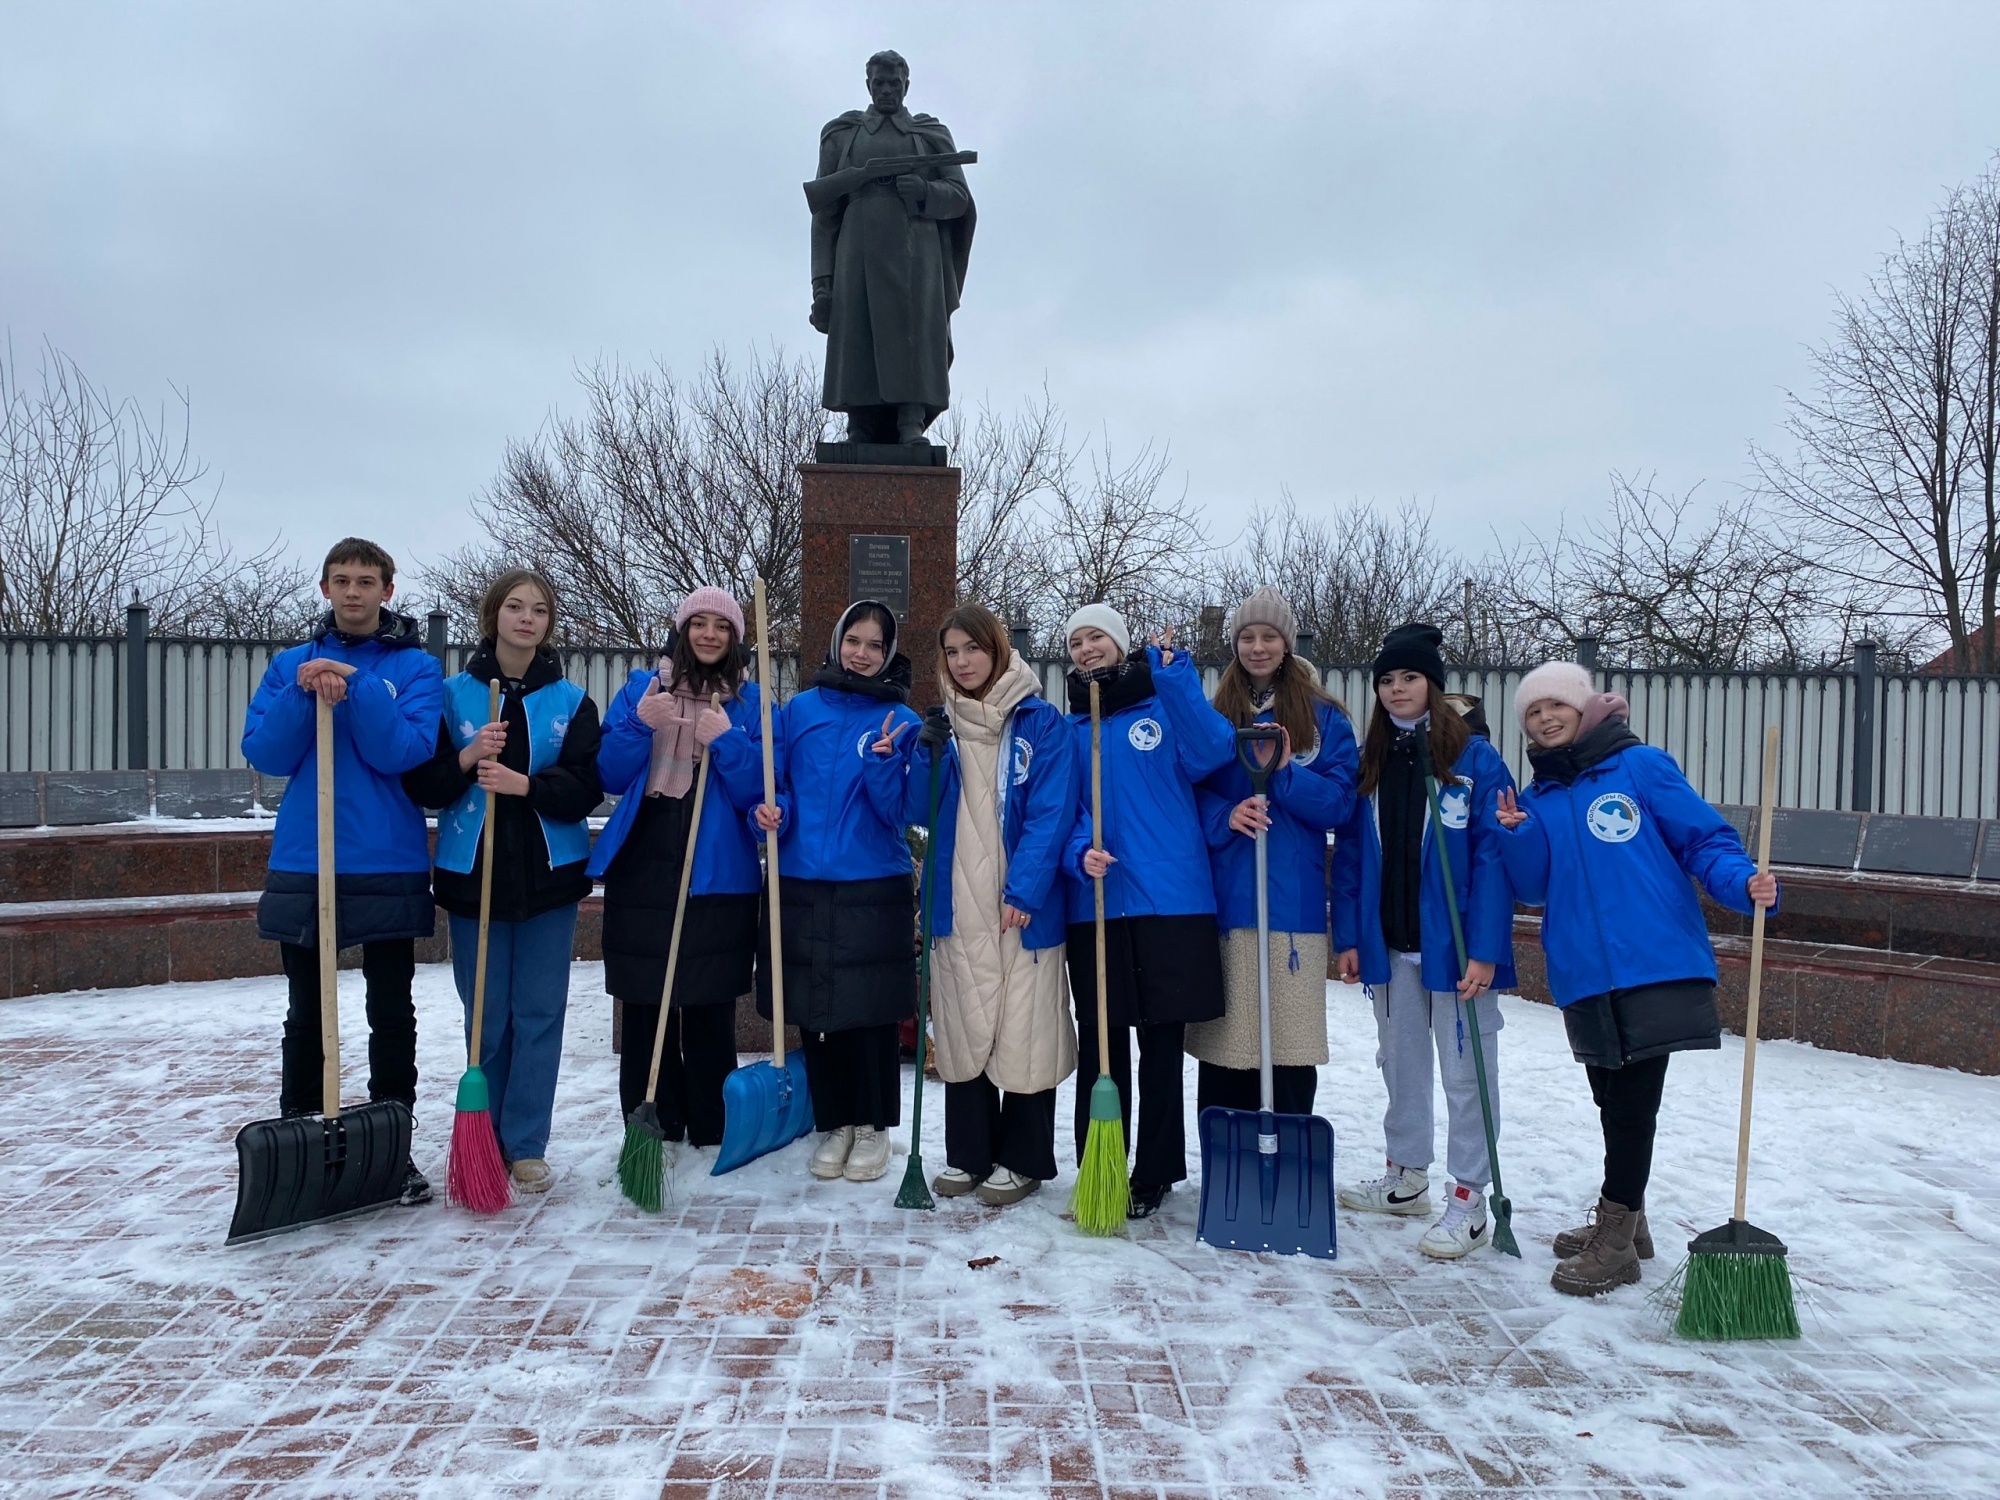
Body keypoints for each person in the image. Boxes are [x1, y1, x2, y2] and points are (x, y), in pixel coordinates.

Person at [1494, 663, 1778, 1296]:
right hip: (1584, 969)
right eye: (1532, 713)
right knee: (1609, 1100)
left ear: (1584, 707)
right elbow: (1536, 888)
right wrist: (1515, 837)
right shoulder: (1536, 798)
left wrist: (1741, 883)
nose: (1544, 718)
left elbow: (1703, 840)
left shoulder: (1641, 767)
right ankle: (1632, 1219)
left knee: (1631, 1103)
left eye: (1555, 706)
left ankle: (1617, 1235)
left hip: (1654, 960)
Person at [241, 538, 443, 1206]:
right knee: (305, 1010)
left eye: (366, 581)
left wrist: (357, 689)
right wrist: (305, 692)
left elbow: (403, 752)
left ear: (388, 591)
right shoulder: (289, 664)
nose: (353, 592)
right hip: (307, 853)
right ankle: (302, 1137)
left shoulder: (414, 668)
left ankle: (394, 1144)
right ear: (325, 588)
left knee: (391, 1009)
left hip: (385, 855)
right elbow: (267, 752)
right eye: (341, 580)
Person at [402, 570, 601, 1194]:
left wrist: (526, 786)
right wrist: (466, 758)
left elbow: (586, 789)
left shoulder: (571, 702)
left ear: (549, 623)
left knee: (539, 1012)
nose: (526, 618)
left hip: (548, 877)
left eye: (539, 610)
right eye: (515, 607)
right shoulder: (452, 696)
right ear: (493, 614)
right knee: (485, 1015)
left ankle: (525, 1143)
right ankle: (480, 1137)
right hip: (473, 874)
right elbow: (424, 784)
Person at [1331, 622, 1517, 1259]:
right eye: (1385, 680)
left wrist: (1486, 948)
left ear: (1433, 685)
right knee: (1401, 1066)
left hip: (1455, 950)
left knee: (1467, 1074)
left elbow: (1494, 858)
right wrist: (1352, 935)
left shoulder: (1473, 761)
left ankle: (1469, 1197)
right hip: (1389, 945)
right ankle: (1406, 1174)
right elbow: (1354, 856)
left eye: (1408, 677)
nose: (1395, 689)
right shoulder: (1375, 760)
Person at [1062, 604, 1237, 1218]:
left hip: (1170, 902)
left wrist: (1176, 677)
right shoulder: (1069, 729)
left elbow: (1215, 751)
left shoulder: (1164, 707)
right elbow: (1062, 810)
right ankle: (1099, 1164)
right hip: (1097, 905)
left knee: (1161, 1043)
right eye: (1077, 642)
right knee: (1101, 1043)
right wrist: (1080, 848)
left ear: (1119, 644)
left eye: (1097, 638)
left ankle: (1156, 1170)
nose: (1087, 650)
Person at [906, 606, 1079, 1207]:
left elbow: (1053, 811)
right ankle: (969, 1155)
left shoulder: (1040, 723)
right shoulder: (941, 727)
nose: (962, 662)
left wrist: (1027, 889)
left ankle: (1024, 1158)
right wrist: (919, 759)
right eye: (951, 652)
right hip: (957, 901)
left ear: (997, 650)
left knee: (1024, 1028)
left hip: (1019, 907)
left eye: (972, 649)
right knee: (963, 1026)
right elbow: (915, 821)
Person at [590, 588, 764, 1151]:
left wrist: (730, 743)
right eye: (699, 623)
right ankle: (653, 1121)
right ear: (682, 630)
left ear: (734, 638)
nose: (709, 635)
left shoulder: (750, 701)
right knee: (645, 1000)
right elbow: (609, 777)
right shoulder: (644, 688)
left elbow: (761, 789)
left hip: (718, 866)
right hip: (646, 859)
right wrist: (640, 725)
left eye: (721, 626)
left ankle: (713, 1123)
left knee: (710, 1001)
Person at [754, 600, 921, 1182]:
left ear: (889, 654)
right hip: (801, 875)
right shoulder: (799, 710)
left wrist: (883, 765)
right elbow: (783, 784)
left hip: (871, 879)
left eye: (877, 645)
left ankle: (872, 1125)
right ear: (836, 642)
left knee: (869, 1011)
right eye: (854, 639)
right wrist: (775, 812)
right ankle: (834, 1121)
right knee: (814, 1005)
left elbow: (910, 810)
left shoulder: (903, 720)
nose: (863, 653)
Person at [1189, 588, 1358, 1117]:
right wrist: (1225, 816)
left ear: (1286, 643)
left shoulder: (1323, 717)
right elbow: (1187, 793)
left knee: (1288, 1050)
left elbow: (1339, 803)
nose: (1257, 647)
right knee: (1227, 1051)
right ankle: (1230, 1159)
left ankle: (1286, 1158)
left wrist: (1286, 774)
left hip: (1292, 911)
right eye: (1246, 637)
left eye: (1268, 636)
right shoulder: (1216, 717)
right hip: (1230, 903)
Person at [809, 49, 975, 444]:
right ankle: (860, 426)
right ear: (868, 85)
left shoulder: (929, 134)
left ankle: (910, 421)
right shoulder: (842, 134)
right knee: (857, 334)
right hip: (856, 251)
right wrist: (823, 282)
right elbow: (825, 212)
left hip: (915, 252)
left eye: (894, 84)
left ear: (907, 86)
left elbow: (959, 198)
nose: (887, 90)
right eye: (879, 83)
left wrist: (924, 192)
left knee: (913, 332)